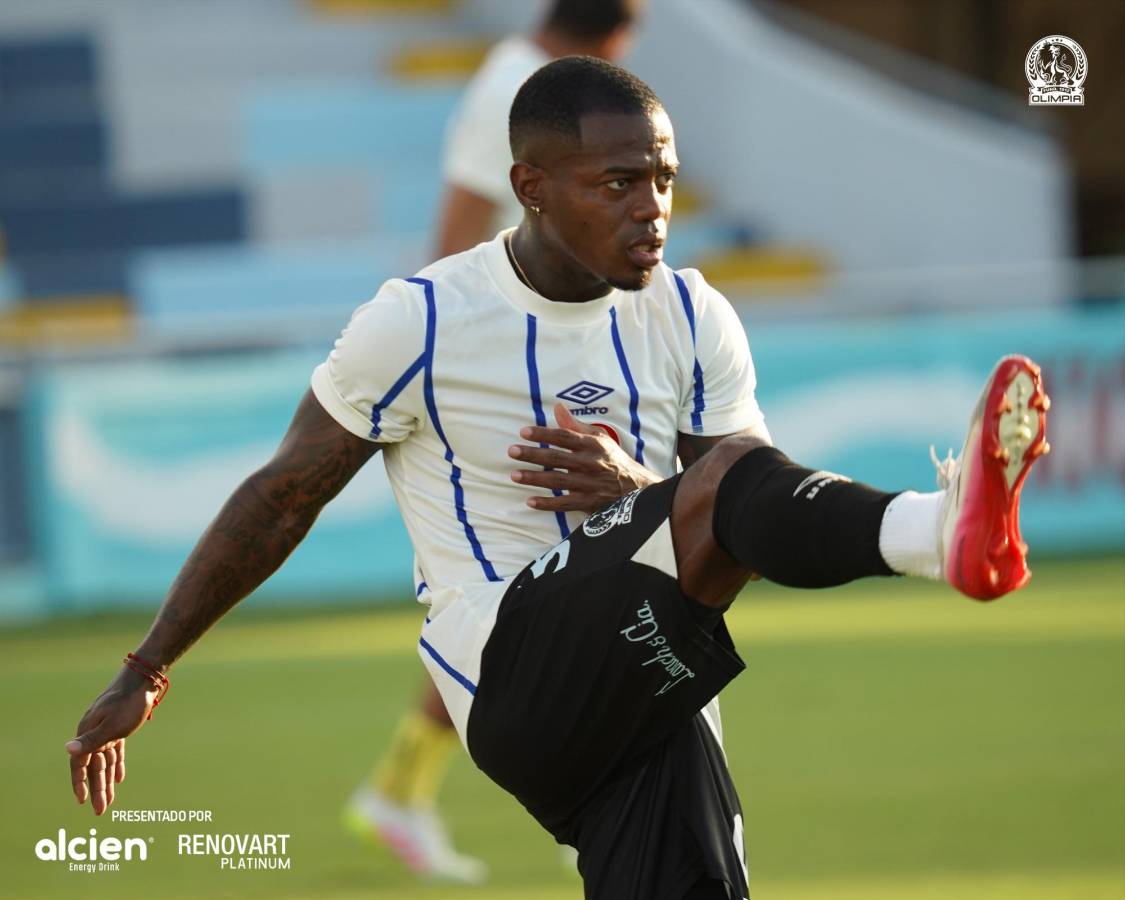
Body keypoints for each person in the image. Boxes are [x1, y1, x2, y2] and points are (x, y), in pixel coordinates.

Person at [65, 58, 1049, 900]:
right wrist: (148, 667)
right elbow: (284, 495)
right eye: (617, 182)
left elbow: (757, 518)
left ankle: (947, 533)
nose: (651, 209)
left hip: (652, 687)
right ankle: (941, 531)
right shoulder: (425, 320)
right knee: (723, 482)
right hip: (509, 670)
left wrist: (635, 490)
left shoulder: (693, 314)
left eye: (662, 179)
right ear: (530, 186)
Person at [344, 0, 647, 882]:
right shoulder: (523, 86)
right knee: (553, 590)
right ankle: (588, 799)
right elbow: (458, 237)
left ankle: (406, 791)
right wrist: (458, 375)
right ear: (620, 29)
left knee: (525, 596)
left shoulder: (524, 75)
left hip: (528, 361)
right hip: (510, 371)